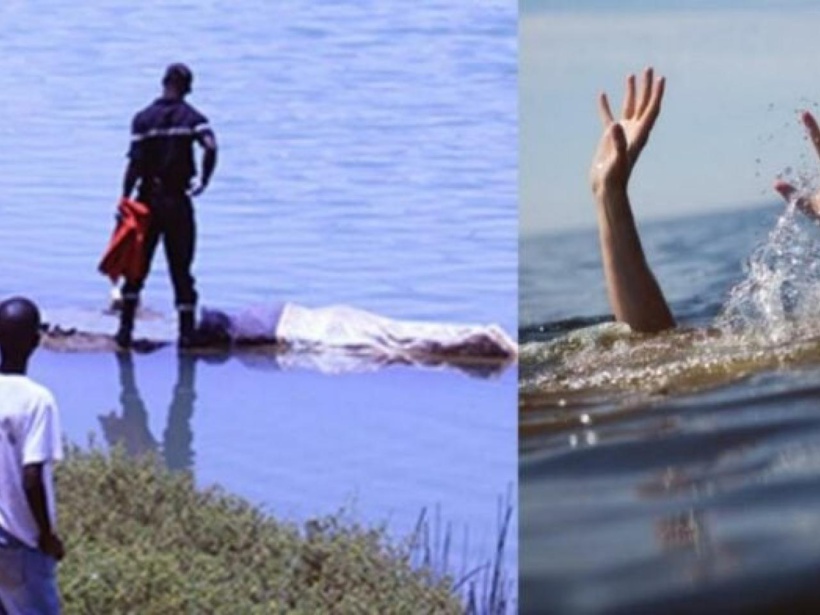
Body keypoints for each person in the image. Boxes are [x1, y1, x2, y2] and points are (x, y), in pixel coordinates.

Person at [116, 63, 218, 349]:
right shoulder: (193, 117)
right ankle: (186, 335)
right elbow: (210, 145)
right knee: (181, 268)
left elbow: (134, 164)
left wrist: (124, 199)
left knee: (137, 267)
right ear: (187, 88)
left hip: (146, 203)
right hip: (177, 202)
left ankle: (125, 330)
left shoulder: (142, 119)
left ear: (163, 83)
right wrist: (203, 181)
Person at [0, 297, 64, 613]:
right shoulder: (38, 401)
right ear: (36, 342)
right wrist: (46, 536)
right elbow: (31, 477)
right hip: (20, 540)